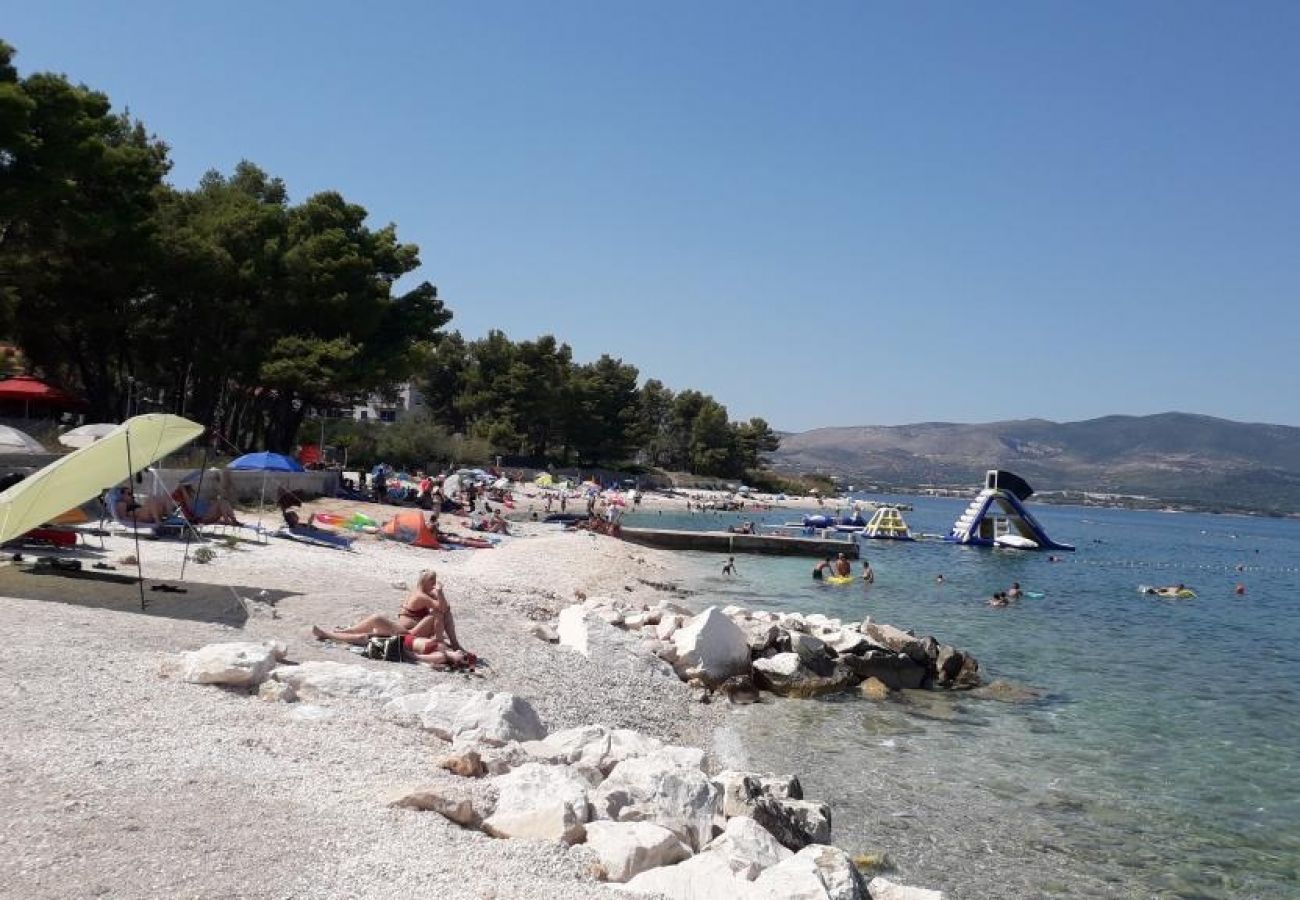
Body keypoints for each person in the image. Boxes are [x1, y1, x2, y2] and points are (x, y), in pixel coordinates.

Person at [312, 570, 463, 650]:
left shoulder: (424, 594)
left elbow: (444, 608)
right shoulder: (421, 596)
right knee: (373, 627)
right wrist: (440, 593)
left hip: (410, 633)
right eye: (433, 582)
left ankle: (337, 633)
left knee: (373, 625)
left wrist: (440, 593)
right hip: (409, 631)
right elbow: (443, 608)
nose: (434, 585)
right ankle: (342, 632)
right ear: (425, 582)